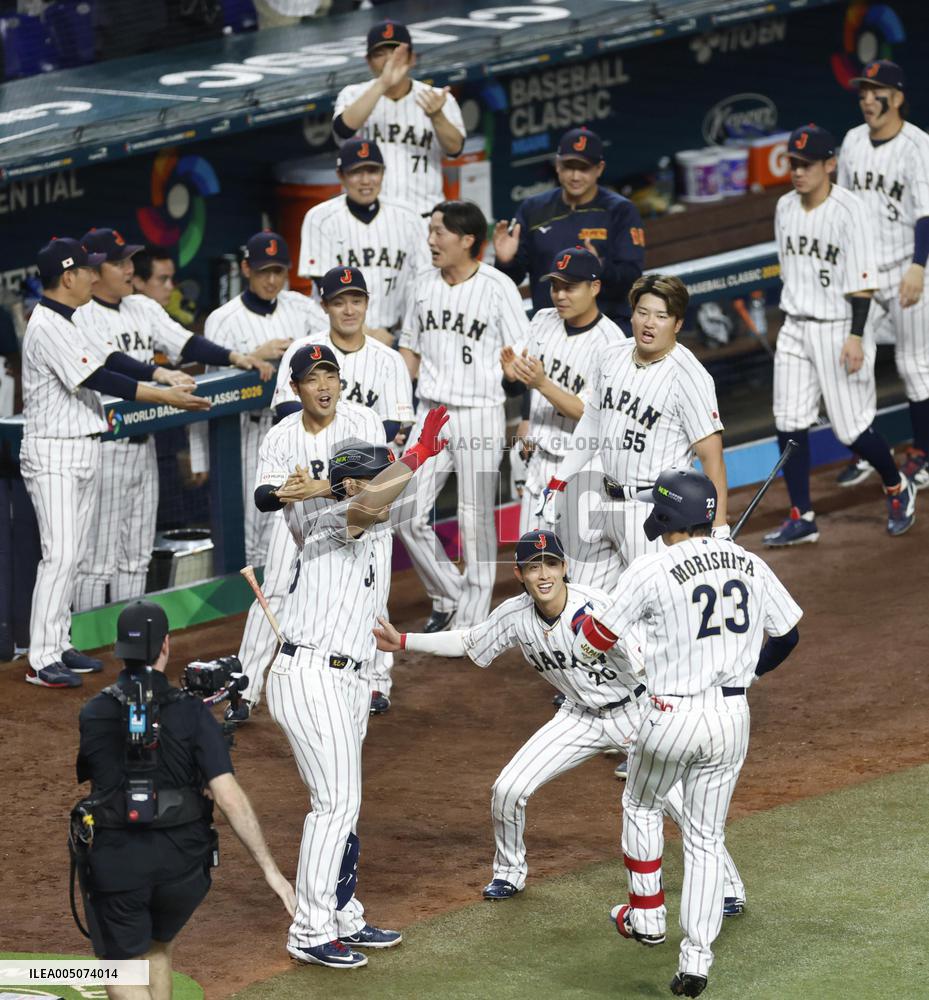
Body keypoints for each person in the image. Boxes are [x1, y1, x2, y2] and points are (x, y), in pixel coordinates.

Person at [373, 529, 745, 912]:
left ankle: (730, 887)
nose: (544, 574)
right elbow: (469, 643)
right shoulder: (515, 615)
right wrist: (402, 641)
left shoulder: (599, 607)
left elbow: (648, 659)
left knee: (680, 806)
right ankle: (509, 872)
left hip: (636, 713)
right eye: (533, 567)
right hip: (578, 717)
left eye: (551, 564)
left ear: (565, 567)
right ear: (520, 575)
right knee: (508, 789)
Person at [572, 469, 802, 999]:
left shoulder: (651, 568)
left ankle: (648, 915)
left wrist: (603, 639)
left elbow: (597, 637)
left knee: (642, 804)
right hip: (732, 719)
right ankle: (696, 961)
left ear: (667, 517)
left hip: (670, 715)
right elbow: (788, 635)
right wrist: (750, 672)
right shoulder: (749, 562)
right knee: (705, 839)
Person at [265, 406, 450, 968]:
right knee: (335, 803)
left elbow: (380, 496)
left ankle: (342, 913)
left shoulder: (371, 513)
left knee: (342, 803)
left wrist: (402, 460)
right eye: (379, 473)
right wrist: (417, 454)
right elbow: (367, 502)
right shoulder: (331, 519)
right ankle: (310, 929)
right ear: (353, 483)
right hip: (310, 674)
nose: (389, 483)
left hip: (348, 679)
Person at [74, 600, 294, 999]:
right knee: (158, 946)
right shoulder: (191, 712)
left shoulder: (93, 712)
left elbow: (98, 776)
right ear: (166, 646)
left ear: (118, 650)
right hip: (183, 867)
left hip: (119, 863)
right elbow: (228, 797)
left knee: (123, 966)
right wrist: (271, 871)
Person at [21, 237, 208, 689]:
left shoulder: (68, 319)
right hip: (54, 451)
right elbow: (102, 377)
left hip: (80, 445)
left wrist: (160, 374)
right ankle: (41, 657)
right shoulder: (47, 324)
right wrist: (167, 395)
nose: (92, 275)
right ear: (69, 277)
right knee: (61, 556)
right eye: (86, 269)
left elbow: (111, 360)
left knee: (73, 555)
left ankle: (58, 642)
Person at [71, 228, 275, 609]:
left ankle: (129, 643)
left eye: (130, 260)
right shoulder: (81, 315)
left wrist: (235, 357)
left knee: (135, 556)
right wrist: (157, 374)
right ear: (94, 272)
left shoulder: (142, 307)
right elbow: (114, 361)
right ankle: (89, 642)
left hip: (143, 445)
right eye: (120, 263)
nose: (130, 269)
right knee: (97, 563)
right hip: (103, 447)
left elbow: (187, 343)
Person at [271, 266, 415, 714]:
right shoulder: (300, 353)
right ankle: (276, 670)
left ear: (367, 303)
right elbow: (285, 415)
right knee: (294, 586)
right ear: (324, 305)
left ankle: (375, 680)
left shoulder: (388, 360)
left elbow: (390, 432)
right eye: (339, 301)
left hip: (366, 491)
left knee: (374, 589)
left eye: (356, 299)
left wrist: (356, 470)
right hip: (304, 495)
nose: (349, 309)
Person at [764, 125, 916, 545]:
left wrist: (854, 336)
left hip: (840, 327)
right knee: (788, 421)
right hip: (796, 327)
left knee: (851, 429)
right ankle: (803, 516)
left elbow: (863, 280)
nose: (798, 172)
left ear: (830, 164)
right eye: (793, 164)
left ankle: (896, 485)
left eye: (806, 165)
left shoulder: (851, 210)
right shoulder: (784, 208)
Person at [539, 274, 729, 595]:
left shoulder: (691, 377)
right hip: (602, 500)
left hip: (655, 513)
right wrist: (560, 480)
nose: (649, 323)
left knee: (657, 612)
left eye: (661, 316)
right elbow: (592, 422)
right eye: (642, 312)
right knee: (587, 607)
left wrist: (719, 526)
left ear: (678, 324)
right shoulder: (611, 355)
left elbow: (712, 457)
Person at [397, 200, 531, 631]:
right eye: (431, 231)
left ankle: (472, 620)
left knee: (475, 517)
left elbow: (522, 353)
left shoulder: (498, 287)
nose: (431, 240)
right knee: (404, 511)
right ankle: (450, 594)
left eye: (440, 232)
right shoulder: (421, 285)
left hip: (480, 412)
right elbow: (409, 350)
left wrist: (513, 371)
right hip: (431, 412)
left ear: (467, 239)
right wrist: (402, 413)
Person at [232, 342, 384, 719]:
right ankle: (244, 688)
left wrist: (317, 486)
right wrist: (285, 492)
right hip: (305, 535)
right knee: (279, 596)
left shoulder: (362, 420)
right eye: (312, 379)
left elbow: (376, 488)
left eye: (330, 376)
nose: (323, 386)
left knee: (371, 610)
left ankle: (373, 683)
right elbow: (263, 497)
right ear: (295, 388)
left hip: (365, 533)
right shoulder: (281, 436)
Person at [187, 231, 325, 567]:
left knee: (296, 524)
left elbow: (336, 340)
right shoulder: (224, 319)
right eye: (264, 271)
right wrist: (199, 457)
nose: (272, 280)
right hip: (246, 434)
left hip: (296, 431)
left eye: (278, 271)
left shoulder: (301, 308)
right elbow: (207, 388)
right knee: (252, 529)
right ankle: (254, 612)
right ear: (247, 269)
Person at [501, 245, 624, 587]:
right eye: (555, 286)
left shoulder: (611, 343)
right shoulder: (542, 320)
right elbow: (516, 384)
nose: (559, 294)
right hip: (539, 459)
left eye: (570, 286)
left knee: (579, 570)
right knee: (532, 563)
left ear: (594, 287)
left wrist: (540, 382)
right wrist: (512, 375)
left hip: (581, 468)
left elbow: (591, 413)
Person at [835, 60, 929, 491]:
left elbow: (926, 214)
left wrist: (918, 265)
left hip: (908, 269)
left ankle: (924, 453)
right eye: (863, 92)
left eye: (877, 92)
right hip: (865, 275)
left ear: (898, 96)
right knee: (857, 365)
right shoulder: (853, 140)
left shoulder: (917, 145)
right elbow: (845, 207)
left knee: (915, 366)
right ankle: (870, 452)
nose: (868, 100)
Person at [493, 127, 646, 334]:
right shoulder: (533, 209)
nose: (575, 176)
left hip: (607, 330)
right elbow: (513, 279)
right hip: (550, 331)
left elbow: (632, 277)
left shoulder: (620, 211)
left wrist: (600, 268)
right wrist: (505, 261)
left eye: (583, 168)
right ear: (557, 166)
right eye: (568, 167)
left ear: (599, 168)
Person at [297, 137, 430, 344]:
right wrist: (366, 332)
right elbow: (324, 284)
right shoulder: (320, 218)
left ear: (383, 173)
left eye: (373, 171)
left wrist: (406, 334)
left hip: (392, 335)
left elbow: (424, 280)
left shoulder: (409, 216)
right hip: (333, 338)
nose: (366, 180)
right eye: (356, 172)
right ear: (341, 176)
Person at [332, 19, 466, 215]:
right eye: (380, 54)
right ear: (368, 61)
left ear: (412, 58)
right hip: (368, 217)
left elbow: (456, 150)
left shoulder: (437, 98)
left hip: (423, 215)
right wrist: (383, 83)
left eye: (396, 53)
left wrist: (437, 116)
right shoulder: (352, 94)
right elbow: (343, 130)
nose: (389, 60)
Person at [130, 246, 176, 310]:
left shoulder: (170, 319)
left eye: (172, 278)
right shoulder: (118, 318)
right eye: (162, 279)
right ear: (138, 282)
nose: (170, 287)